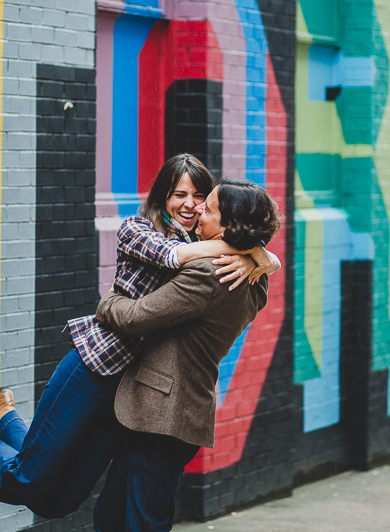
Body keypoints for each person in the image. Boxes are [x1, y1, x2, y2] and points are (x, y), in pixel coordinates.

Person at [0, 155, 279, 517]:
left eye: (201, 198)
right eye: (180, 194)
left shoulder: (212, 250)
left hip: (128, 391)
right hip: (95, 364)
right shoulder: (138, 230)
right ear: (163, 196)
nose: (191, 205)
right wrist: (250, 249)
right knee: (29, 476)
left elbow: (222, 253)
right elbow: (173, 256)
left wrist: (255, 254)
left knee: (58, 500)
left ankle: (3, 414)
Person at [92, 177, 281, 531]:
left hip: (162, 416)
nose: (197, 213)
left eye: (207, 209)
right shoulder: (255, 278)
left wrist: (109, 302)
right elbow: (265, 259)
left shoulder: (209, 274)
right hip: (175, 412)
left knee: (142, 522)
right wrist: (256, 255)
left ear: (228, 226)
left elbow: (136, 317)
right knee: (112, 517)